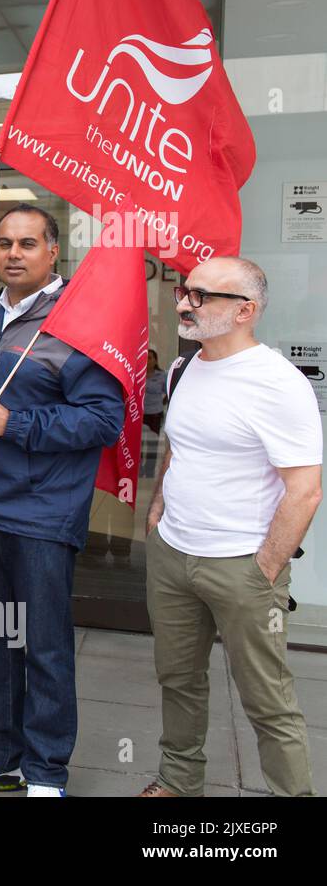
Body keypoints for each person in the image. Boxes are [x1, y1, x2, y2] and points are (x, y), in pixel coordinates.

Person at [0, 204, 123, 798]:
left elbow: (103, 419)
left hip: (40, 513)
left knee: (45, 646)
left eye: (28, 243)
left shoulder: (76, 323)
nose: (13, 253)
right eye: (5, 243)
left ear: (53, 251)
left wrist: (18, 424)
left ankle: (44, 772)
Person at [140, 258, 320, 798]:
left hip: (242, 565)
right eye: (183, 292)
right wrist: (157, 508)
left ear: (247, 310)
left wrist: (263, 569)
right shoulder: (184, 367)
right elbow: (179, 444)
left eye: (202, 297)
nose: (184, 304)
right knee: (178, 681)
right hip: (173, 555)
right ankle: (178, 780)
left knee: (267, 699)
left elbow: (305, 489)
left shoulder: (277, 384)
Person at [143, 349, 165, 434]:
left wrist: (162, 402)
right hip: (140, 413)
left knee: (153, 440)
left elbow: (168, 392)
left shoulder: (162, 375)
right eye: (145, 358)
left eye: (149, 358)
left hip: (155, 412)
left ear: (155, 361)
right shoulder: (137, 375)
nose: (147, 361)